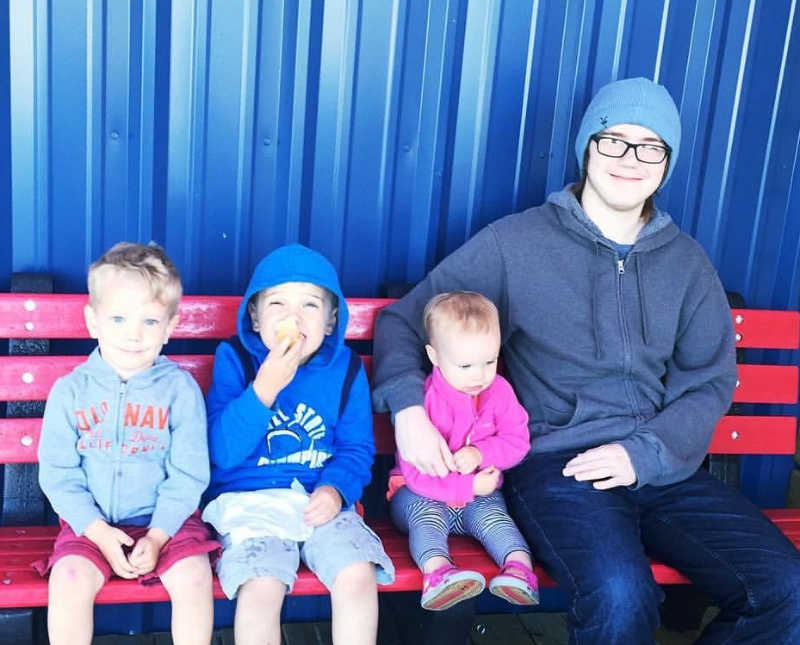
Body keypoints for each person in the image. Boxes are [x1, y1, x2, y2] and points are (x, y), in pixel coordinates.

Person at [372, 77, 800, 643]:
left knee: (787, 592)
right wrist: (408, 409)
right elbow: (405, 319)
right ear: (587, 148)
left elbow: (710, 381)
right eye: (613, 141)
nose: (630, 159)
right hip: (557, 467)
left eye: (650, 146)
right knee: (622, 597)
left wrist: (644, 453)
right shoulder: (516, 243)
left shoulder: (688, 264)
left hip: (661, 466)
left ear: (666, 163)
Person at [203, 243, 394, 645]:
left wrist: (335, 488)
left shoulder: (346, 369)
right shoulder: (235, 360)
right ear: (254, 317)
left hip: (318, 502)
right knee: (261, 587)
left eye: (310, 305)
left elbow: (356, 448)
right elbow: (221, 453)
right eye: (277, 303)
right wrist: (264, 389)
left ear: (330, 320)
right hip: (249, 505)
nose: (293, 316)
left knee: (357, 573)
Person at [35, 242, 218, 645]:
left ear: (170, 327)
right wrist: (96, 530)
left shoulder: (179, 390)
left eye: (149, 322)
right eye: (118, 318)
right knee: (67, 579)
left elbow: (189, 474)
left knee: (193, 575)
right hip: (90, 522)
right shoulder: (70, 391)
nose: (132, 335)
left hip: (168, 521)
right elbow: (58, 474)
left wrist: (157, 535)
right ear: (93, 321)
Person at [388, 291, 538, 610]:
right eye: (466, 365)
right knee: (426, 517)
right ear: (434, 356)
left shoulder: (499, 391)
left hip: (480, 496)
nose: (479, 375)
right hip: (419, 494)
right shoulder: (424, 400)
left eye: (489, 361)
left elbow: (517, 440)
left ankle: (519, 568)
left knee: (495, 517)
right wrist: (465, 485)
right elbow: (416, 474)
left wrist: (482, 454)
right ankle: (438, 573)